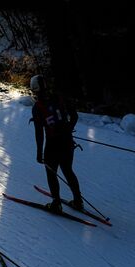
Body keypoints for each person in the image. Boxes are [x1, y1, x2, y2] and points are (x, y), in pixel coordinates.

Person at [30, 74, 83, 212]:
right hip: (67, 142)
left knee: (51, 172)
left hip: (52, 145)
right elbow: (75, 116)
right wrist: (68, 130)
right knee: (68, 170)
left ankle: (56, 203)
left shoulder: (37, 107)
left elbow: (39, 133)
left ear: (34, 90)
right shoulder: (59, 98)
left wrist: (39, 152)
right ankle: (78, 201)